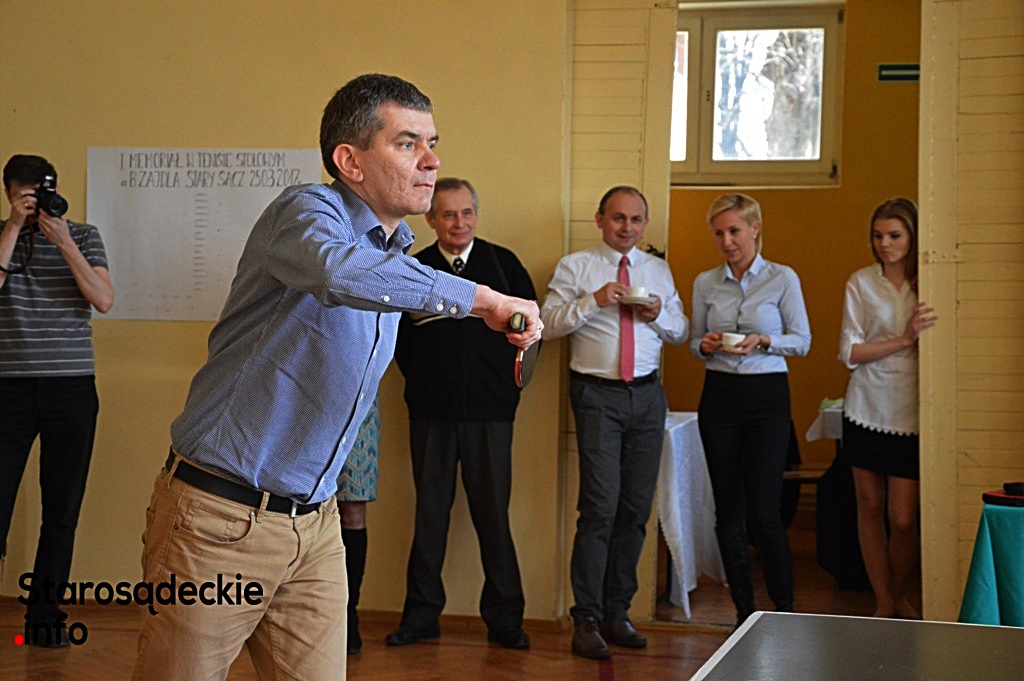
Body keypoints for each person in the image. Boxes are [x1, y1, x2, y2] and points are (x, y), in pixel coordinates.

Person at [131, 74, 542, 681]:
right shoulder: (304, 212)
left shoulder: (395, 253)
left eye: (432, 143)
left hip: (317, 527)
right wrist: (480, 298)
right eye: (407, 144)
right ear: (350, 161)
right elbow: (336, 271)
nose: (431, 161)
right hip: (220, 519)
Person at [386, 178, 535, 650]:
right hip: (431, 413)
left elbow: (532, 332)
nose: (459, 223)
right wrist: (424, 384)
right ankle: (421, 617)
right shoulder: (415, 270)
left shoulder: (504, 266)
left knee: (493, 517)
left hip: (492, 415)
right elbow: (397, 343)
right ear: (430, 219)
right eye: (448, 214)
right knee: (430, 516)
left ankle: (505, 619)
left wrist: (505, 391)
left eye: (466, 212)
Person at [541, 186, 687, 659]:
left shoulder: (657, 270)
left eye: (636, 219)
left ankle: (616, 611)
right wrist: (595, 300)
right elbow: (548, 323)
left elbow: (681, 331)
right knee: (600, 507)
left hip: (647, 395)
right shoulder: (576, 267)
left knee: (635, 508)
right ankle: (585, 617)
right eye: (619, 218)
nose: (627, 227)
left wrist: (658, 314)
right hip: (597, 395)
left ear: (645, 224)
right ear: (600, 219)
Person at [0, 154, 115, 647]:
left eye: (44, 192)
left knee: (61, 510)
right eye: (25, 195)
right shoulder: (1, 236)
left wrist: (63, 240)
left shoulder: (83, 236)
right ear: (10, 194)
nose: (37, 202)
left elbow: (103, 299)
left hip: (71, 387)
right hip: (8, 388)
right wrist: (13, 227)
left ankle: (45, 620)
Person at [690, 193, 810, 628]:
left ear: (755, 229)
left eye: (734, 231)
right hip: (720, 395)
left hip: (767, 397)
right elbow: (694, 341)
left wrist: (763, 340)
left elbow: (802, 341)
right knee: (728, 509)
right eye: (719, 233)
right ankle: (743, 612)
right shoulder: (706, 282)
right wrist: (704, 345)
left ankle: (784, 609)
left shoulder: (782, 278)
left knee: (764, 509)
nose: (727, 241)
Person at [839, 197, 935, 619]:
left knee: (903, 519)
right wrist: (904, 339)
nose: (885, 244)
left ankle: (899, 596)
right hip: (865, 405)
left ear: (912, 236)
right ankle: (883, 603)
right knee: (869, 507)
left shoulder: (929, 280)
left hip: (912, 411)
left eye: (894, 235)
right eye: (878, 236)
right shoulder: (860, 282)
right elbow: (849, 352)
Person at [335, 397, 380, 655]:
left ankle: (348, 614)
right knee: (297, 502)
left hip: (357, 401)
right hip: (299, 396)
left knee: (352, 510)